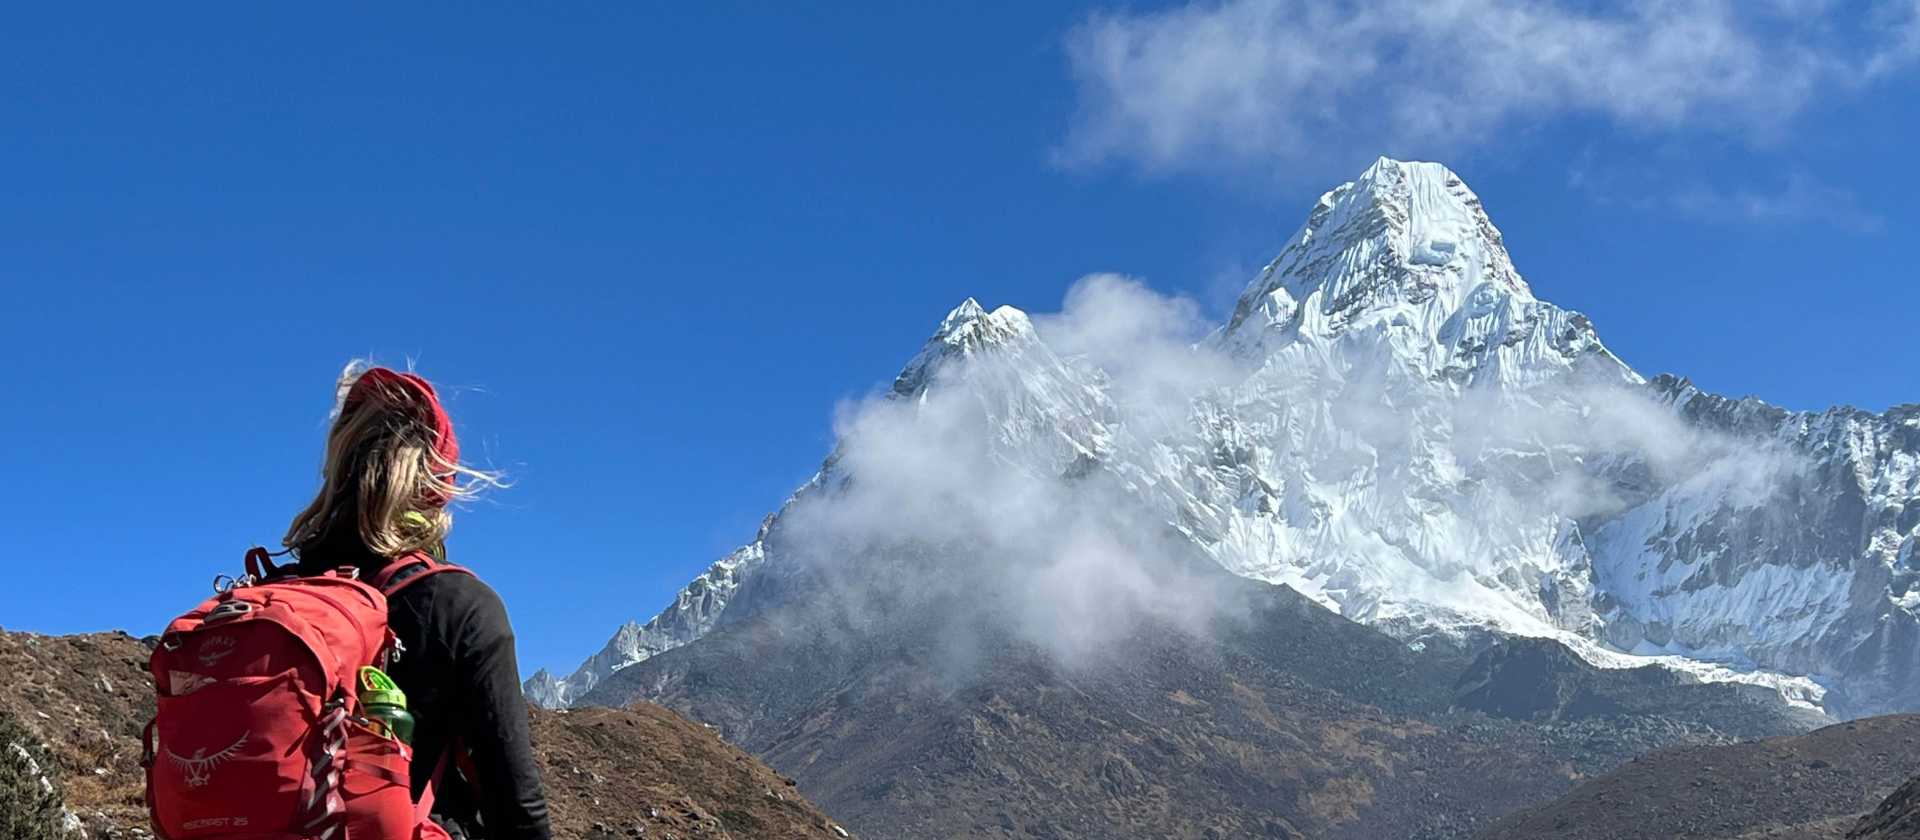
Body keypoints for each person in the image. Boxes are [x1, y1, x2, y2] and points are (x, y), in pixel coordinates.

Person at [282, 361, 552, 840]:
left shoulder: (273, 597)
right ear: (437, 486)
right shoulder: (458, 606)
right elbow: (517, 806)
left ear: (337, 465)